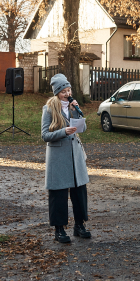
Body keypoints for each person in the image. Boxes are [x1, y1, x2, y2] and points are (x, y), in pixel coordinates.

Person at [41, 73, 91, 243]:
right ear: (57, 93)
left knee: (79, 192)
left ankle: (79, 225)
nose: (68, 94)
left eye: (69, 90)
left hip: (74, 155)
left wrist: (76, 114)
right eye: (64, 91)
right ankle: (59, 229)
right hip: (58, 156)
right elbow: (45, 135)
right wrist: (63, 132)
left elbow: (80, 128)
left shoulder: (72, 106)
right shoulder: (48, 109)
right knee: (59, 194)